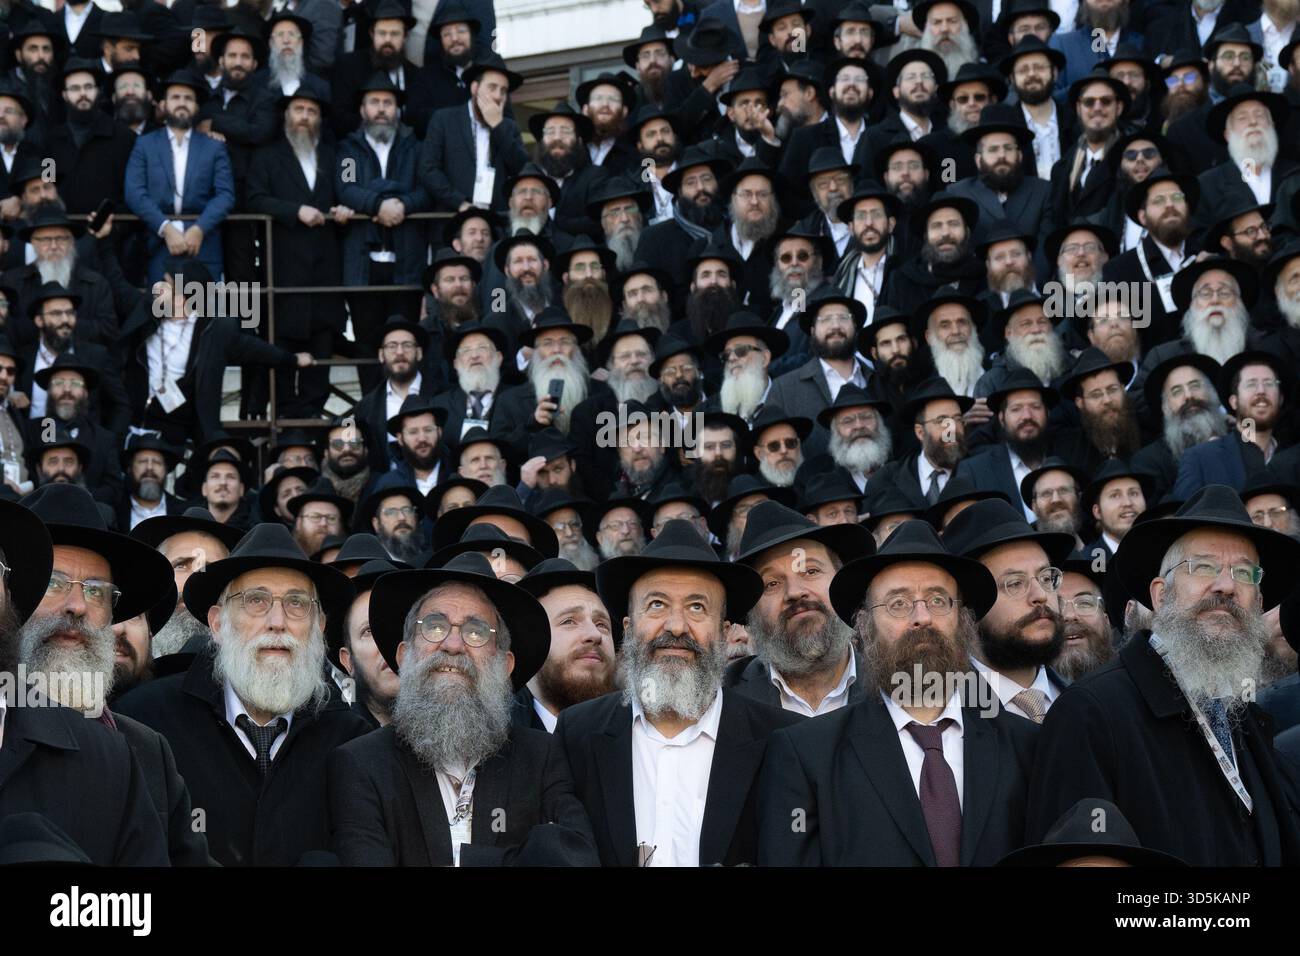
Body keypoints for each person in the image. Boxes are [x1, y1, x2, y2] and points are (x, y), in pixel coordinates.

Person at [1029, 485, 1300, 864]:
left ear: (1258, 602)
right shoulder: (1091, 713)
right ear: (1160, 594)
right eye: (1202, 566)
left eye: (1244, 572)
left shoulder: (1245, 717)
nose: (1226, 586)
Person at [756, 519, 1038, 865]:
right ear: (864, 627)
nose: (922, 617)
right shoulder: (808, 755)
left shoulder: (1026, 746)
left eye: (938, 600)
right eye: (898, 604)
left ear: (963, 620)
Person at [114, 523, 372, 866]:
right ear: (218, 624)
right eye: (256, 600)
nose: (277, 621)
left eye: (297, 603)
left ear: (319, 627)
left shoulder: (352, 738)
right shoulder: (145, 721)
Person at [329, 550, 599, 865]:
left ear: (505, 665)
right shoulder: (360, 763)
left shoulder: (542, 757)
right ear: (404, 656)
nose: (453, 645)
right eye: (434, 626)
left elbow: (575, 858)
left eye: (476, 632)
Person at [556, 520, 800, 866]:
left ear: (724, 632)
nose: (675, 626)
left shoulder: (783, 739)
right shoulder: (577, 733)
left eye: (697, 607)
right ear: (628, 628)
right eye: (657, 604)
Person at [15, 483, 212, 866]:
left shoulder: (147, 749)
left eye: (97, 591)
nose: (77, 606)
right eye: (54, 583)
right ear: (11, 595)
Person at [728, 500, 876, 716]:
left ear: (842, 582)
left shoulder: (895, 687)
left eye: (811, 571)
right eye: (772, 583)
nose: (795, 592)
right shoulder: (722, 698)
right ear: (752, 611)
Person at [941, 497, 1076, 722]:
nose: (1040, 595)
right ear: (967, 609)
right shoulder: (945, 718)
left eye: (1045, 578)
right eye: (1014, 583)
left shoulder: (1085, 699)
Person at [514, 557, 618, 731]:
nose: (594, 634)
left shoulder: (637, 737)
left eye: (601, 624)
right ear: (526, 642)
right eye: (569, 621)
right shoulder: (494, 740)